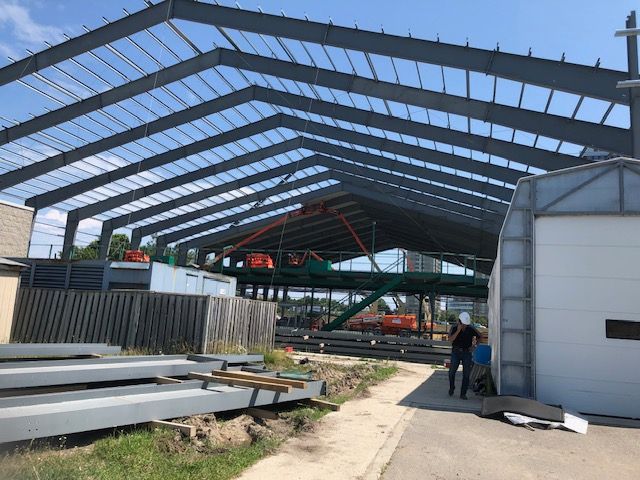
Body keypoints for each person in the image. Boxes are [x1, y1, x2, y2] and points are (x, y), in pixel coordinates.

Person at [448, 312, 480, 400]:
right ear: (459, 322)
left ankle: (463, 393)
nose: (464, 326)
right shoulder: (454, 328)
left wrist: (474, 345)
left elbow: (479, 336)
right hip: (456, 352)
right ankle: (452, 387)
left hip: (466, 353)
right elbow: (450, 339)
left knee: (466, 374)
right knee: (451, 372)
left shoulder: (471, 328)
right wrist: (458, 330)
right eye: (463, 324)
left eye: (466, 324)